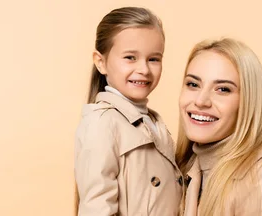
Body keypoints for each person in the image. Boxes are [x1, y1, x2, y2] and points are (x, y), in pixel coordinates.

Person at [175, 38, 262, 216]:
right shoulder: (181, 171)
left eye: (223, 89)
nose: (200, 101)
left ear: (247, 102)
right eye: (193, 84)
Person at [74, 7, 183, 216]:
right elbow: (97, 208)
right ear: (101, 62)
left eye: (154, 59)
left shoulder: (153, 122)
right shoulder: (101, 123)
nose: (143, 69)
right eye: (130, 57)